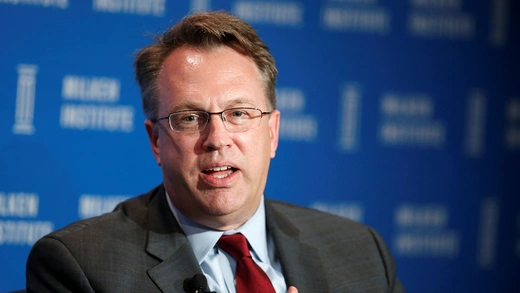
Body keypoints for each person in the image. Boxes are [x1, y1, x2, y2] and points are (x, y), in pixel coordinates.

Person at [26, 11, 405, 293]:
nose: (217, 138)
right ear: (156, 141)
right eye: (190, 118)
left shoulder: (361, 254)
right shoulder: (81, 266)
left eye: (239, 113)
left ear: (272, 133)